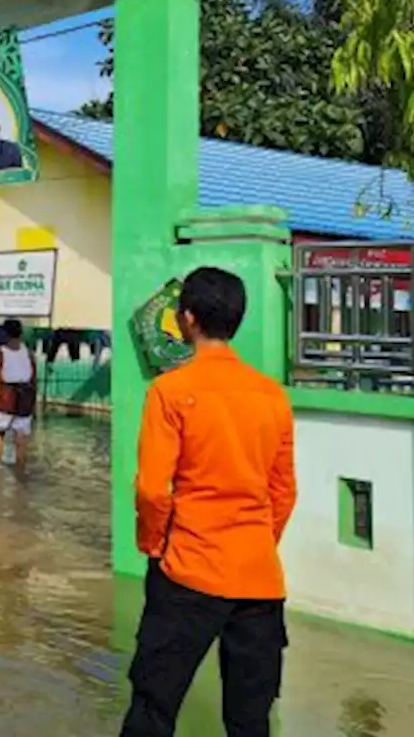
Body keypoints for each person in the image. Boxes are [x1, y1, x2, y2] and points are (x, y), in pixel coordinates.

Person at [120, 267, 297, 737]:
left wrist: (154, 545)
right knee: (250, 720)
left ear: (187, 319)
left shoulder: (170, 391)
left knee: (153, 708)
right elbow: (283, 492)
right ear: (237, 320)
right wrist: (259, 541)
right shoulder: (272, 396)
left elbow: (153, 490)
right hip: (259, 578)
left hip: (187, 570)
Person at [0, 318, 36, 469]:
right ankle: (20, 471)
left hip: (6, 396)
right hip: (26, 397)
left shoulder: (0, 353)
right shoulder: (29, 353)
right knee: (21, 438)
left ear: (5, 333)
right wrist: (33, 403)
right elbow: (34, 379)